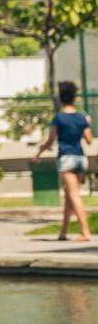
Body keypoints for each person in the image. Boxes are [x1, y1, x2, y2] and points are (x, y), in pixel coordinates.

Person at [34, 81, 94, 242]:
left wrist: (39, 152)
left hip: (66, 159)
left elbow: (51, 140)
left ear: (61, 99)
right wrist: (88, 123)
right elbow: (89, 140)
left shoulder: (59, 118)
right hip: (81, 159)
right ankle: (63, 233)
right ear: (74, 98)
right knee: (68, 196)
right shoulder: (82, 117)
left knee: (74, 195)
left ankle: (85, 232)